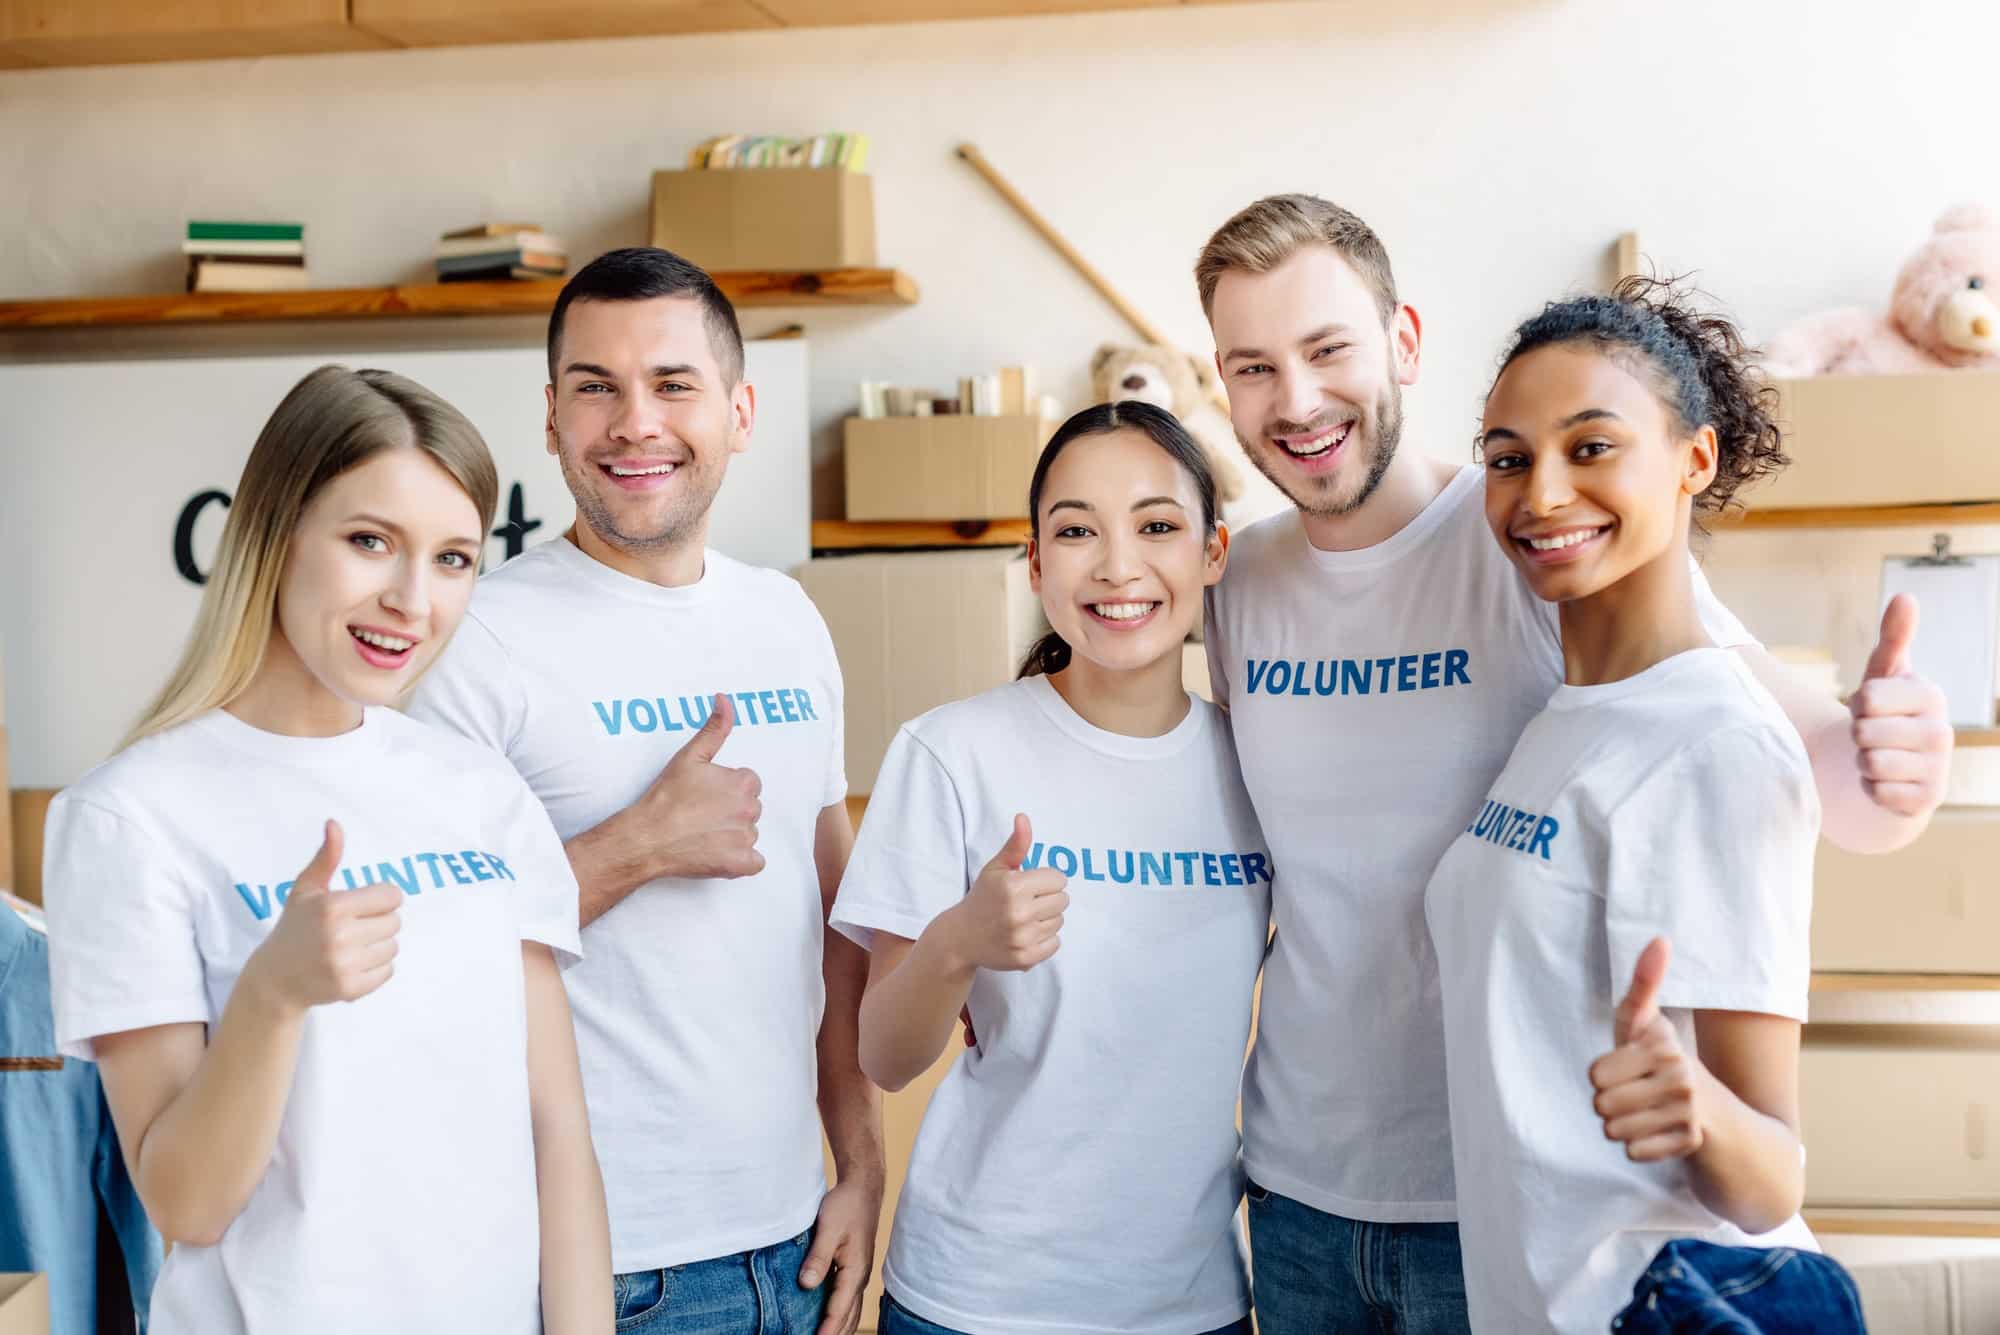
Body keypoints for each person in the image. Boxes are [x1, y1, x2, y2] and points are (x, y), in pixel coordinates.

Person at [1194, 195, 1952, 1332]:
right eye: (1251, 366)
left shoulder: (1529, 534)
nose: (1294, 401)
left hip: (1498, 1196)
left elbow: (1790, 756)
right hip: (1299, 1187)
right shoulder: (1239, 584)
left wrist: (1901, 754)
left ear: (1401, 342)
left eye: (1326, 348)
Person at [42, 365, 611, 1335]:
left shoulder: (478, 793)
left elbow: (556, 1133)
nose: (410, 600)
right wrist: (273, 996)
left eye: (452, 559)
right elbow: (183, 1203)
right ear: (272, 534)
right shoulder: (129, 818)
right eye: (368, 542)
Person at [406, 247, 883, 1335]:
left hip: (794, 1239)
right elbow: (423, 959)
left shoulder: (787, 621)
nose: (634, 423)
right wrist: (636, 847)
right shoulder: (473, 642)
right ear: (550, 414)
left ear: (739, 411)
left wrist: (858, 1166)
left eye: (672, 384)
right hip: (596, 1271)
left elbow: (834, 925)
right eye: (595, 387)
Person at [1425, 278, 1827, 1332]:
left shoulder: (1717, 744)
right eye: (1507, 459)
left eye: (1589, 446)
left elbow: (1769, 1177)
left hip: (1674, 1307)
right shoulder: (1570, 715)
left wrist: (1694, 1108)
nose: (1541, 492)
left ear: (1693, 460)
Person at [830, 401, 1268, 1335]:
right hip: (977, 1298)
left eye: (1157, 526)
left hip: (1190, 1300)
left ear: (1213, 552)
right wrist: (956, 942)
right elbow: (884, 1055)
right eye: (1076, 531)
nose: (1117, 565)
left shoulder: (1258, 765)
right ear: (1035, 563)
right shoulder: (953, 751)